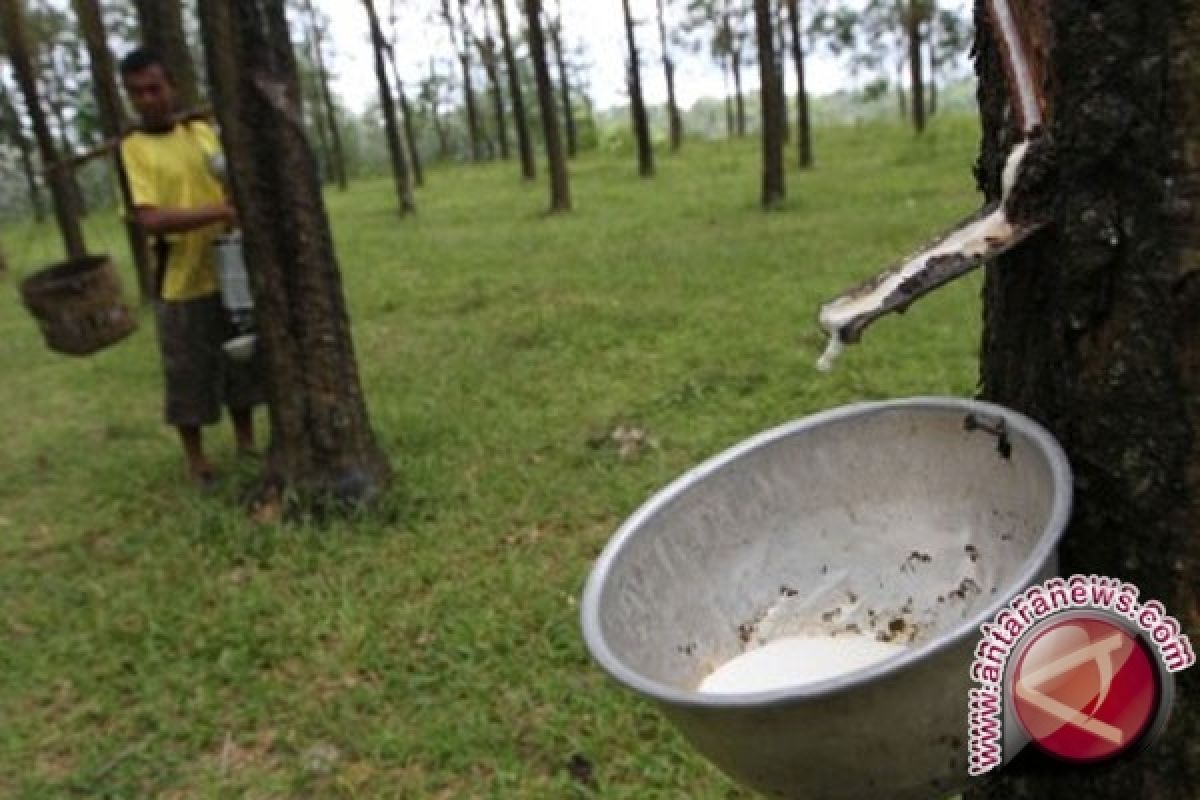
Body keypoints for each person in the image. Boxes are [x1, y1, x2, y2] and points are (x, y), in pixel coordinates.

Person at [118, 47, 263, 486]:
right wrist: (218, 212)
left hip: (228, 266)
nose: (147, 100)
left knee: (240, 356)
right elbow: (149, 219)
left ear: (173, 88)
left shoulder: (201, 132)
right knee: (188, 370)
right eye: (137, 93)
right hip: (179, 279)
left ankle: (246, 444)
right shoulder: (134, 149)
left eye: (155, 89)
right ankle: (197, 461)